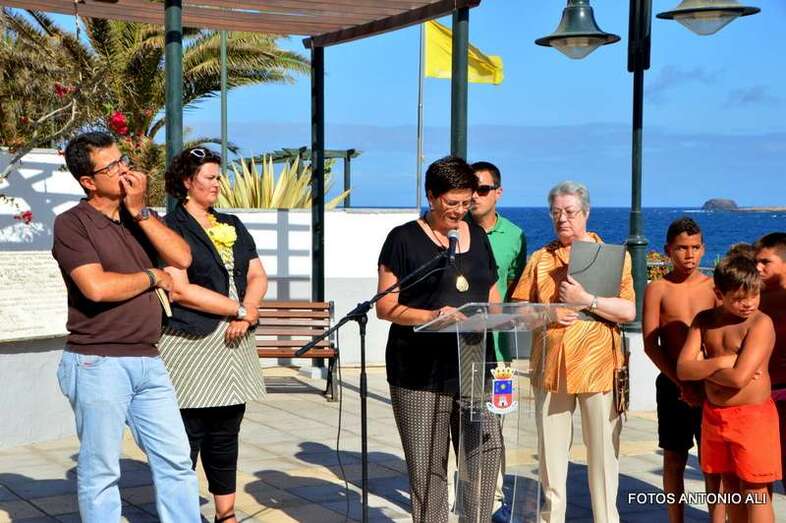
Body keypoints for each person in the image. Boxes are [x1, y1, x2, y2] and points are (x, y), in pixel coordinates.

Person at [52, 132, 200, 522]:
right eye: (112, 166)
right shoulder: (72, 224)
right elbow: (97, 288)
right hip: (97, 361)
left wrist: (142, 211)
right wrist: (153, 276)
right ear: (88, 181)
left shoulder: (139, 219)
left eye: (123, 161)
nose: (124, 170)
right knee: (101, 469)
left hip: (148, 359)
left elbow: (183, 258)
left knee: (176, 458)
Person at [376, 155, 504, 521]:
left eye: (466, 203)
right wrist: (432, 316)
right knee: (429, 469)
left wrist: (500, 317)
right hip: (419, 370)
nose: (460, 211)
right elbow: (385, 306)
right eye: (452, 203)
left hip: (473, 364)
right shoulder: (403, 239)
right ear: (431, 196)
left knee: (485, 455)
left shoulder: (478, 236)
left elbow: (492, 296)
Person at [511, 181, 636, 523]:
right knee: (551, 458)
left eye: (569, 212)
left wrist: (587, 301)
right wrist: (548, 313)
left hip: (598, 366)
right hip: (551, 367)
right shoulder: (540, 259)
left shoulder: (613, 257)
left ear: (586, 212)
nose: (562, 219)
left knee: (603, 455)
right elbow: (519, 310)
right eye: (555, 212)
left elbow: (628, 311)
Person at [158, 147, 268, 523]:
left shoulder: (232, 223)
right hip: (191, 342)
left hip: (235, 341)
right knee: (187, 433)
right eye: (210, 177)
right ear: (187, 182)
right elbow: (180, 289)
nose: (218, 184)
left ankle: (226, 514)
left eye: (219, 177)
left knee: (226, 430)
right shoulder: (170, 228)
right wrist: (238, 310)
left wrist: (248, 311)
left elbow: (257, 274)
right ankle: (181, 514)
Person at [677, 254, 780, 523]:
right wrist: (723, 361)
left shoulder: (759, 323)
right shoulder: (704, 320)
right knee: (730, 485)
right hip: (714, 416)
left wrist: (702, 366)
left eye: (754, 295)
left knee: (755, 490)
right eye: (739, 298)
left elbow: (738, 379)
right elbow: (683, 369)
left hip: (752, 417)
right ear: (719, 294)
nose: (749, 303)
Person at [642, 217, 716, 523]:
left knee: (712, 462)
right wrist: (680, 383)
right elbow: (651, 344)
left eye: (695, 247)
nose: (689, 254)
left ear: (703, 249)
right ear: (668, 250)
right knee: (674, 458)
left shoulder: (714, 288)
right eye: (682, 248)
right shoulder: (658, 289)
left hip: (710, 387)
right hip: (672, 386)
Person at [468, 160, 526, 521]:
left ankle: (496, 500)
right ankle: (465, 496)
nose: (475, 196)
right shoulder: (454, 233)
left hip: (500, 350)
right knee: (462, 422)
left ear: (498, 192)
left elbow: (520, 290)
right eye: (470, 189)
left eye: (483, 189)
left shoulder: (516, 236)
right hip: (459, 346)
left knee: (495, 424)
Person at [754, 232, 786, 491]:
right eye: (756, 261)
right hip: (758, 396)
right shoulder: (752, 301)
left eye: (766, 262)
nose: (758, 267)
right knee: (758, 475)